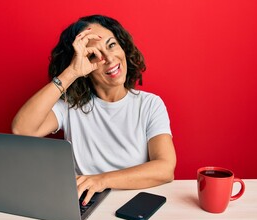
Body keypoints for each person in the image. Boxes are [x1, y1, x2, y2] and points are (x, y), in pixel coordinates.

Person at [12, 15, 176, 206]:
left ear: (123, 46)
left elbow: (165, 169)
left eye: (111, 44)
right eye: (93, 55)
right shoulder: (70, 105)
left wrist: (101, 180)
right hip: (83, 203)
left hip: (134, 203)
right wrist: (71, 72)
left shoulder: (150, 104)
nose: (108, 58)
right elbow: (22, 129)